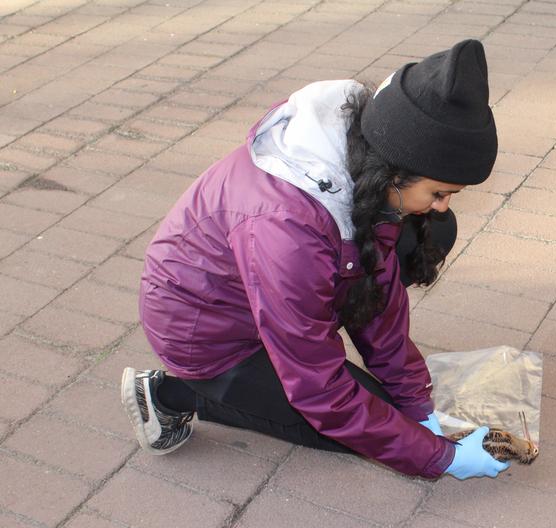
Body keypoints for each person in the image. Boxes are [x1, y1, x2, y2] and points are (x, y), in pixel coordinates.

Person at [121, 39, 510, 480]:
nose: (443, 204)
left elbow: (378, 297)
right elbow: (320, 392)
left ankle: (296, 357)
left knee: (431, 234)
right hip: (208, 334)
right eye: (439, 192)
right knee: (354, 425)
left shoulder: (366, 161)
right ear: (394, 169)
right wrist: (439, 457)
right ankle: (171, 394)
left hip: (264, 293)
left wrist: (418, 403)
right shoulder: (288, 229)